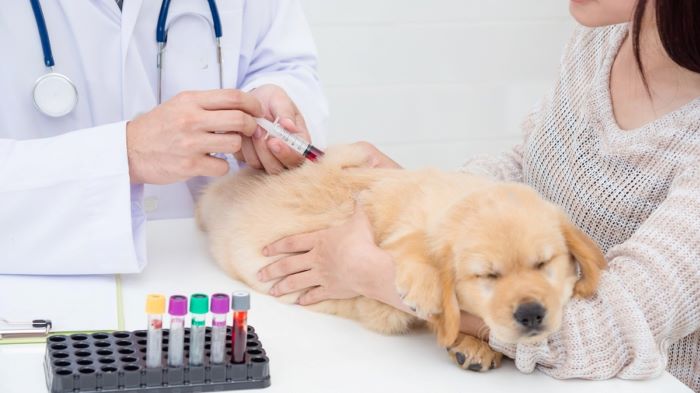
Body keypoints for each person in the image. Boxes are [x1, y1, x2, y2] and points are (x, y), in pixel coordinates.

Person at [257, 0, 700, 390]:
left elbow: (607, 333)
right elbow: (532, 162)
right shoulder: (601, 43)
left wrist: (378, 276)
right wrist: (428, 194)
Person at [0, 1, 327, 274]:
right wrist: (127, 154)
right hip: (42, 276)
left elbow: (286, 61)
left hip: (214, 263)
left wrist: (271, 95)